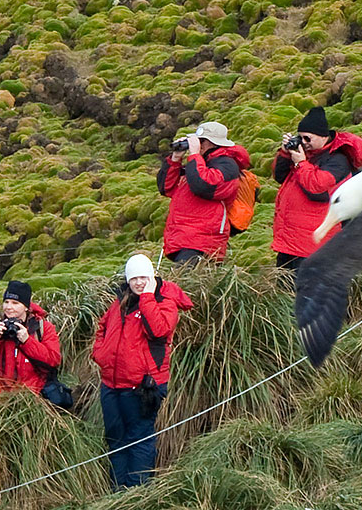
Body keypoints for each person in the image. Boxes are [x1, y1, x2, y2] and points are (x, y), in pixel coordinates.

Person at [91, 254, 193, 489]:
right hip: (111, 383)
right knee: (115, 437)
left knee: (139, 438)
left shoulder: (164, 301)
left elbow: (159, 330)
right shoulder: (121, 302)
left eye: (143, 277)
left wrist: (147, 296)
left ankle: (137, 491)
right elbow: (103, 326)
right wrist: (100, 354)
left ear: (152, 277)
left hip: (142, 385)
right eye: (134, 278)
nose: (138, 282)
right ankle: (118, 489)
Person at [271, 107, 362, 274]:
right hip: (290, 240)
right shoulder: (307, 155)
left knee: (304, 292)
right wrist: (286, 154)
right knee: (284, 291)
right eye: (300, 137)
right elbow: (279, 176)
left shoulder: (338, 161)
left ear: (324, 137)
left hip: (312, 244)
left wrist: (300, 163)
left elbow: (316, 188)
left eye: (307, 138)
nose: (303, 142)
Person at [157, 121, 251, 264]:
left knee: (186, 282)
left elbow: (204, 186)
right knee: (184, 283)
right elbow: (166, 187)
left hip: (203, 240)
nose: (197, 144)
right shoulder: (199, 163)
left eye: (201, 141)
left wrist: (194, 155)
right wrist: (175, 158)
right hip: (183, 236)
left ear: (212, 143)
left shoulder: (228, 165)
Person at [0, 281, 61, 394]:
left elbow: (53, 362)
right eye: (6, 302)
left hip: (33, 394)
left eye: (15, 303)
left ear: (26, 307)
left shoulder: (43, 328)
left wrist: (27, 342)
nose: (9, 307)